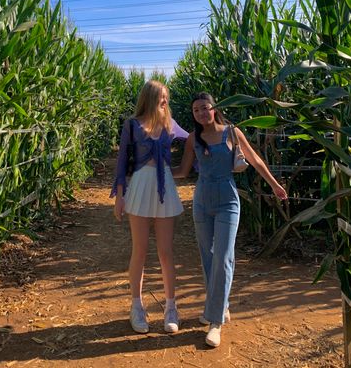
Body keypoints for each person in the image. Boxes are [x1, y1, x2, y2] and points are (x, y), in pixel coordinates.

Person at [172, 92, 287, 348]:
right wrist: (152, 172)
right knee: (208, 256)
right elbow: (182, 171)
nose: (201, 113)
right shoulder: (193, 139)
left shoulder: (232, 133)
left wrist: (275, 185)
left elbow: (255, 160)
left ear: (215, 108)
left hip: (227, 200)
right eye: (196, 111)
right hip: (201, 201)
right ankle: (220, 306)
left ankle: (215, 323)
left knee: (224, 257)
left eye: (205, 108)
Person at [111, 80, 188, 335]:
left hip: (164, 185)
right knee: (140, 250)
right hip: (141, 186)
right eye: (161, 97)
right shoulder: (132, 125)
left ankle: (170, 307)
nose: (165, 101)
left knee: (166, 252)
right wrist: (119, 196)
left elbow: (195, 139)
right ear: (150, 97)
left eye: (167, 97)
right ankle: (137, 306)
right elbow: (122, 160)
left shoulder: (170, 124)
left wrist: (225, 136)